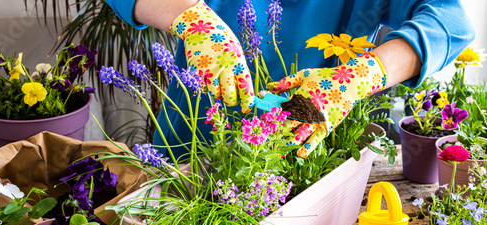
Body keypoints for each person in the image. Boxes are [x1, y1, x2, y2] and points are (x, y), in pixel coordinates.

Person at [105, 0, 475, 158]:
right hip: (195, 139)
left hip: (314, 150)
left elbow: (452, 22)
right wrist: (192, 18)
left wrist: (360, 75)